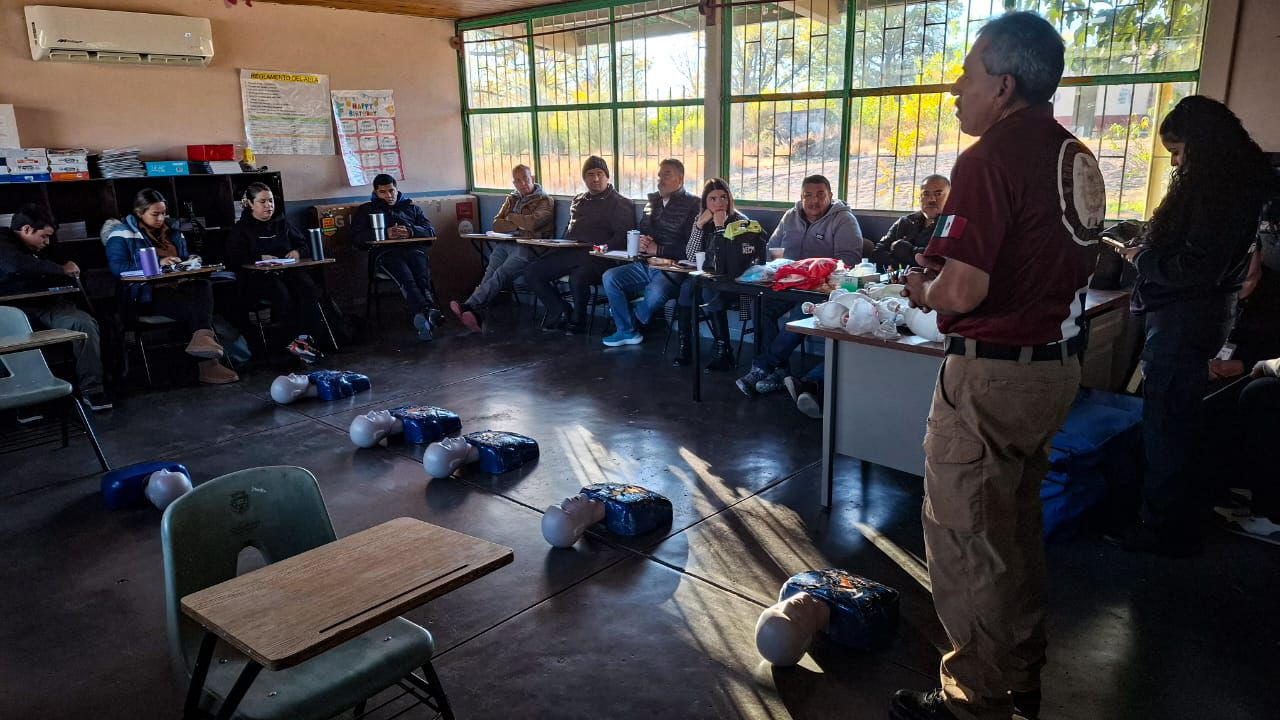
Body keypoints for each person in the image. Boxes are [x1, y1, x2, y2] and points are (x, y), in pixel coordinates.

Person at [890, 13, 1104, 720]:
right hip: (1055, 368)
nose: (956, 87)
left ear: (1005, 85)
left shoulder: (987, 158)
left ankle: (973, 697)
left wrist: (921, 287)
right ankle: (1021, 668)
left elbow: (962, 291)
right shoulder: (1075, 154)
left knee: (962, 536)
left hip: (991, 376)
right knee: (1012, 527)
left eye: (968, 71)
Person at [1111, 95, 1277, 557]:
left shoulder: (1216, 192)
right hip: (1202, 317)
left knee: (1166, 423)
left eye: (1180, 153)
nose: (1178, 163)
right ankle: (1173, 519)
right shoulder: (1240, 187)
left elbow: (1193, 267)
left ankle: (1163, 529)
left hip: (1184, 318)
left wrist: (1141, 256)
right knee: (1177, 420)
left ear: (1203, 146)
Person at [735, 174, 861, 396]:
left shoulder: (844, 220)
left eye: (820, 195)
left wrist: (817, 273)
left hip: (820, 291)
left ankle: (764, 366)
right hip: (786, 285)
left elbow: (849, 261)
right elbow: (772, 249)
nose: (814, 201)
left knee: (798, 316)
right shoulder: (790, 217)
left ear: (830, 196)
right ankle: (778, 371)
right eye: (807, 196)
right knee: (761, 305)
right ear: (801, 198)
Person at [106, 189, 238, 385]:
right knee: (196, 309)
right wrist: (159, 263)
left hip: (179, 286)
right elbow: (118, 268)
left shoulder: (173, 232)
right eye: (155, 214)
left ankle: (202, 342)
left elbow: (181, 259)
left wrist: (191, 260)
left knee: (203, 285)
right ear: (139, 212)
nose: (161, 218)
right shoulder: (122, 234)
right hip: (145, 293)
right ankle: (208, 364)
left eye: (163, 213)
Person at [0, 204, 111, 410]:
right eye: (43, 236)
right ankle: (24, 399)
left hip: (47, 303)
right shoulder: (3, 241)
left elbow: (63, 262)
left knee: (84, 324)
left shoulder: (42, 247)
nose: (47, 241)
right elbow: (15, 264)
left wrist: (67, 266)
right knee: (13, 336)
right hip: (9, 310)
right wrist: (60, 269)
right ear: (26, 230)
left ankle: (93, 389)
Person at [523, 156, 635, 334]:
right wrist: (556, 244)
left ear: (608, 177)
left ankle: (578, 319)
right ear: (584, 178)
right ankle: (559, 308)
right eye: (590, 174)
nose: (595, 179)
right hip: (569, 253)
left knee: (578, 277)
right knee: (532, 272)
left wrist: (600, 248)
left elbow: (622, 237)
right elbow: (569, 232)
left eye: (600, 174)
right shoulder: (578, 200)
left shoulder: (620, 203)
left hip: (599, 258)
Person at [601, 159, 701, 347]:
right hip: (647, 263)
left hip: (674, 269)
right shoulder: (652, 202)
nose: (660, 179)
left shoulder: (694, 205)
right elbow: (643, 229)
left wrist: (660, 249)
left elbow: (693, 248)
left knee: (655, 292)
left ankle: (632, 321)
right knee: (610, 277)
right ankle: (627, 332)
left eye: (666, 174)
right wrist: (642, 241)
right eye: (659, 175)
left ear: (680, 178)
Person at [227, 182, 325, 363]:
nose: (268, 206)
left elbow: (304, 245)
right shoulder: (241, 229)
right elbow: (234, 257)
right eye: (262, 202)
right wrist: (258, 257)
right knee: (282, 296)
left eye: (271, 201)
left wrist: (298, 252)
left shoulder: (283, 222)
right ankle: (288, 345)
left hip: (288, 271)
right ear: (250, 204)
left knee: (309, 289)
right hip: (259, 278)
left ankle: (307, 340)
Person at [449, 164, 552, 333]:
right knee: (490, 272)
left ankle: (470, 306)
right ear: (514, 183)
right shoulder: (512, 199)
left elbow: (533, 223)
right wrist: (519, 222)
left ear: (532, 178)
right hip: (507, 243)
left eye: (526, 179)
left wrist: (511, 218)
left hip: (529, 247)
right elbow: (497, 224)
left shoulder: (545, 200)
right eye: (518, 181)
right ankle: (475, 312)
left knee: (501, 274)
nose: (523, 184)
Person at [350, 173, 440, 341]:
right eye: (383, 192)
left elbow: (430, 231)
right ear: (376, 192)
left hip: (414, 251)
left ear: (397, 189)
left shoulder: (411, 208)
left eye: (391, 191)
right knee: (407, 279)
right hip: (386, 254)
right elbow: (356, 238)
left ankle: (424, 315)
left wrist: (410, 231)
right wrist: (385, 233)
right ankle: (428, 311)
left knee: (422, 277)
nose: (389, 195)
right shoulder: (367, 210)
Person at [673, 178, 749, 370]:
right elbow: (690, 255)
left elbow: (726, 260)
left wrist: (720, 227)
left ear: (730, 199)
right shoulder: (700, 220)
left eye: (723, 197)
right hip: (707, 277)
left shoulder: (740, 222)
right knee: (686, 289)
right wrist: (699, 226)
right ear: (705, 202)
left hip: (734, 280)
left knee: (708, 292)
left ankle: (725, 352)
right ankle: (685, 346)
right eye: (713, 198)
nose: (719, 203)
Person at [872, 174, 951, 270]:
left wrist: (903, 249)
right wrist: (906, 265)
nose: (932, 199)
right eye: (926, 194)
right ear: (919, 198)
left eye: (938, 194)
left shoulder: (951, 226)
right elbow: (877, 253)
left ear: (950, 198)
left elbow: (939, 260)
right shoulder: (905, 222)